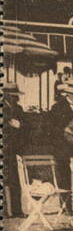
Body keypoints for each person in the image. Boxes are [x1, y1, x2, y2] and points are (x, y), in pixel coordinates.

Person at [3, 83, 29, 217]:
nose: (15, 99)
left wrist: (19, 125)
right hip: (4, 148)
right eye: (13, 96)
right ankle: (5, 211)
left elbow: (26, 127)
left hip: (14, 149)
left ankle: (17, 209)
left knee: (14, 180)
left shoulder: (18, 109)